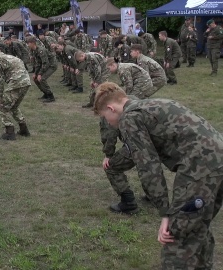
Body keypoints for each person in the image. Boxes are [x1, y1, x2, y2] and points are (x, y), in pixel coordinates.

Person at [94, 81, 223, 270]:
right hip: (218, 162)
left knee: (177, 234)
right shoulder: (147, 105)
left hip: (199, 169)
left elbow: (149, 167)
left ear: (111, 108)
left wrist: (166, 213)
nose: (108, 123)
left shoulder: (129, 119)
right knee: (197, 226)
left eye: (105, 117)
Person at [0, 46, 31, 140]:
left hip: (16, 83)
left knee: (3, 108)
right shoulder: (11, 57)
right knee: (14, 107)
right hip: (26, 82)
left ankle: (10, 133)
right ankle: (24, 130)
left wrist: (0, 98)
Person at [26, 36, 56, 102]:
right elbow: (38, 63)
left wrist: (40, 74)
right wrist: (35, 73)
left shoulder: (41, 50)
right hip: (45, 65)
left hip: (52, 65)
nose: (27, 45)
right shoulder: (33, 50)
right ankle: (45, 93)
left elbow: (45, 63)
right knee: (35, 79)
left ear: (33, 43)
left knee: (42, 79)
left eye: (28, 43)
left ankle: (51, 96)